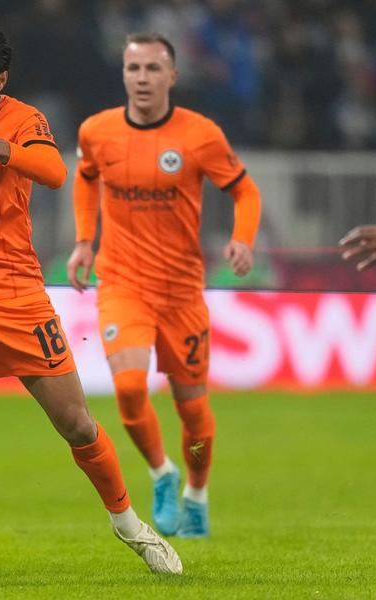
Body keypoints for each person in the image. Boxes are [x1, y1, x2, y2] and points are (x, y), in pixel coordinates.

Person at [0, 22, 182, 574]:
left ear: (1, 80)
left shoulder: (23, 120)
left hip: (17, 288)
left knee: (78, 427)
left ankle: (129, 525)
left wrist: (1, 148)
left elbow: (53, 170)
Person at [67, 32, 262, 539]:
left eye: (154, 69)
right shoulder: (98, 131)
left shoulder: (200, 135)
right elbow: (86, 177)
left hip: (181, 293)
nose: (143, 78)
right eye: (134, 69)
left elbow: (245, 191)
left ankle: (196, 488)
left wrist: (242, 239)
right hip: (123, 283)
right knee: (130, 389)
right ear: (124, 75)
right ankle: (161, 472)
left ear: (172, 77)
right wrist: (84, 241)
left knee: (193, 413)